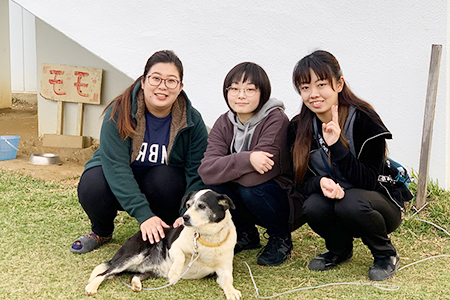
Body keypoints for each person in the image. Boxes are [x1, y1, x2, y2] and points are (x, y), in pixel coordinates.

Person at [70, 50, 208, 254]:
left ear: (180, 87)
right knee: (93, 183)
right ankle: (101, 231)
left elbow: (196, 172)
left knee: (167, 177)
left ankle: (166, 229)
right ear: (143, 82)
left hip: (160, 187)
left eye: (171, 81)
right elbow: (116, 168)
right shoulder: (120, 112)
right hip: (119, 182)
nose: (163, 86)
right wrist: (144, 215)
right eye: (156, 78)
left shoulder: (192, 121)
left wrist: (186, 212)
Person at [288, 50, 403, 281]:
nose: (314, 94)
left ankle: (385, 254)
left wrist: (337, 147)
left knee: (349, 202)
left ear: (339, 84)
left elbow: (370, 181)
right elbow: (298, 183)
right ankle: (339, 249)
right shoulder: (298, 127)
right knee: (312, 205)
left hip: (377, 204)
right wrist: (320, 182)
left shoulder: (364, 119)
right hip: (336, 204)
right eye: (305, 87)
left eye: (321, 84)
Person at [198, 62, 294, 266]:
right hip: (247, 190)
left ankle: (280, 238)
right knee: (215, 187)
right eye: (234, 89)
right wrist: (248, 158)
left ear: (263, 93)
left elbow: (257, 176)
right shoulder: (224, 122)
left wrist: (225, 167)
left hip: (280, 195)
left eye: (250, 89)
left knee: (251, 188)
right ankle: (246, 234)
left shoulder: (276, 119)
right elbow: (206, 171)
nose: (241, 95)